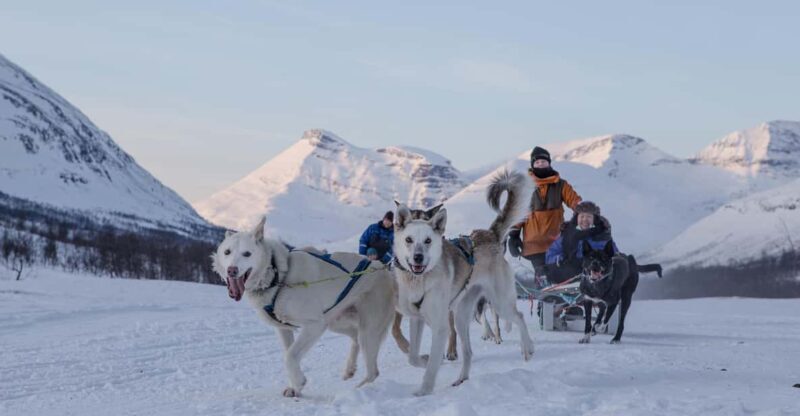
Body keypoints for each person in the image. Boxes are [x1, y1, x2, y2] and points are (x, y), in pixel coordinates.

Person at [507, 146, 583, 276]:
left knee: (563, 274)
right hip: (534, 244)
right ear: (533, 165)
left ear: (549, 163)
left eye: (543, 161)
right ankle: (545, 294)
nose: (541, 164)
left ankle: (562, 294)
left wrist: (584, 212)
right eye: (537, 162)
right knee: (543, 276)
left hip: (556, 241)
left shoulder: (560, 185)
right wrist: (513, 236)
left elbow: (574, 200)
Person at [544, 201, 618, 284]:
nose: (585, 219)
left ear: (595, 219)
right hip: (570, 273)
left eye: (589, 216)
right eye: (582, 216)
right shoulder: (567, 235)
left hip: (596, 273)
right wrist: (559, 259)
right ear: (577, 218)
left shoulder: (602, 235)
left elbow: (614, 255)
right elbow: (550, 254)